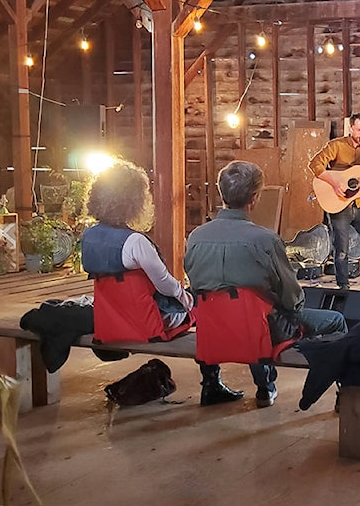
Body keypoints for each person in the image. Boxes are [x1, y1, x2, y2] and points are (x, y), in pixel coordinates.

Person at [185, 161, 347, 408]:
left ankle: (211, 384)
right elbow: (291, 297)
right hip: (259, 330)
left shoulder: (196, 236)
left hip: (213, 328)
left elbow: (196, 285)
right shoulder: (266, 240)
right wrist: (293, 308)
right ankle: (345, 394)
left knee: (237, 310)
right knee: (334, 320)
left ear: (221, 193)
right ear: (254, 197)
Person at [80, 160, 243, 406]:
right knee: (206, 303)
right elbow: (165, 283)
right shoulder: (135, 242)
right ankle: (212, 383)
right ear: (133, 201)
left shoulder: (89, 237)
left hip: (109, 321)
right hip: (147, 324)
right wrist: (186, 297)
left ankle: (213, 381)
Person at [309, 113, 360, 294]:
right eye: (358, 130)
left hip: (359, 204)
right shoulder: (336, 145)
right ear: (350, 128)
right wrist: (335, 183)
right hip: (339, 204)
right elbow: (315, 165)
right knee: (342, 250)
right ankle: (343, 288)